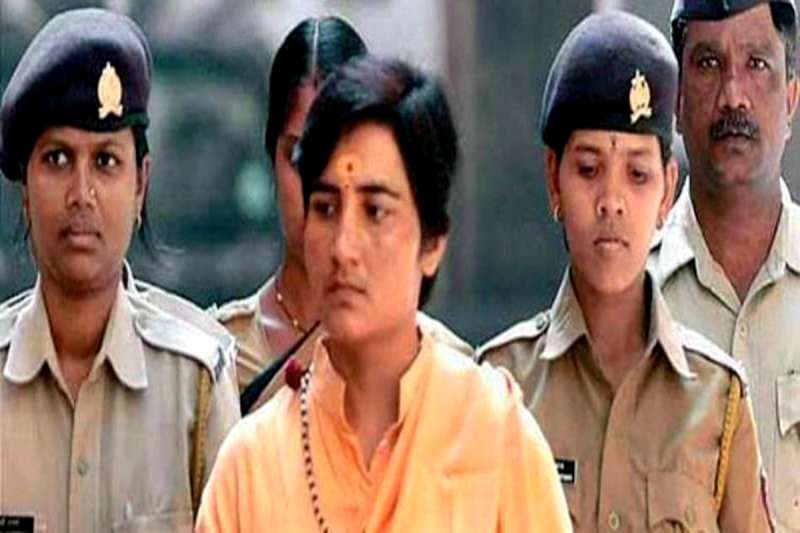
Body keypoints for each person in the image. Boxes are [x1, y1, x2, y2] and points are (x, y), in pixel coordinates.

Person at [196, 56, 571, 532]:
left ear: (432, 243)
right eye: (325, 208)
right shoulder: (251, 465)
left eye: (375, 211)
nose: (343, 247)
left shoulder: (497, 439)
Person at [479, 11, 771, 531]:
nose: (611, 201)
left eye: (637, 174)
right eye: (589, 169)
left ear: (667, 190)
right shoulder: (499, 387)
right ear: (553, 179)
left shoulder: (718, 399)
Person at [0, 9, 240, 531]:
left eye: (106, 161)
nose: (81, 194)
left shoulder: (197, 381)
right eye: (57, 159)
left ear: (140, 185)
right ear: (24, 190)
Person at [214, 17, 472, 414]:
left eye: (338, 158)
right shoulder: (215, 358)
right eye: (298, 155)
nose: (318, 185)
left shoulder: (449, 370)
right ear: (270, 158)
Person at [649, 1, 799, 529]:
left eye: (757, 63)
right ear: (675, 100)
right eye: (709, 64)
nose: (733, 94)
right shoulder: (629, 296)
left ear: (792, 97)